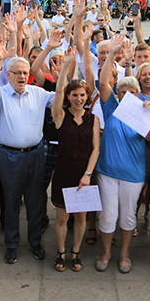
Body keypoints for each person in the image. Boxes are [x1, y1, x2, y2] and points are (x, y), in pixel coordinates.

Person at [0, 28, 56, 264]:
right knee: (12, 201)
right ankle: (12, 245)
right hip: (9, 156)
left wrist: (64, 70)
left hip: (36, 154)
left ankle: (35, 242)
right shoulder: (1, 94)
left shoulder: (38, 93)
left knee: (35, 201)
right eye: (18, 73)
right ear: (9, 74)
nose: (23, 76)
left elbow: (62, 99)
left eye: (26, 72)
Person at [94, 35, 150, 273]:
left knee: (128, 216)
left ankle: (124, 253)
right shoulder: (111, 108)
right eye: (123, 91)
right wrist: (112, 53)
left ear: (139, 94)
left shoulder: (143, 111)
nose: (127, 94)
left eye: (133, 91)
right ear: (118, 94)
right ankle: (107, 251)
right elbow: (102, 84)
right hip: (108, 172)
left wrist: (149, 114)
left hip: (133, 174)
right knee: (108, 215)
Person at [50, 48, 100, 272]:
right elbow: (59, 89)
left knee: (81, 217)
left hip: (85, 174)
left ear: (87, 97)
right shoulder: (60, 116)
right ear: (69, 97)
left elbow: (96, 149)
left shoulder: (94, 118)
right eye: (75, 95)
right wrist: (66, 68)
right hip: (64, 171)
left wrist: (88, 175)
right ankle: (61, 251)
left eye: (82, 95)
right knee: (62, 217)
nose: (79, 99)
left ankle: (75, 252)